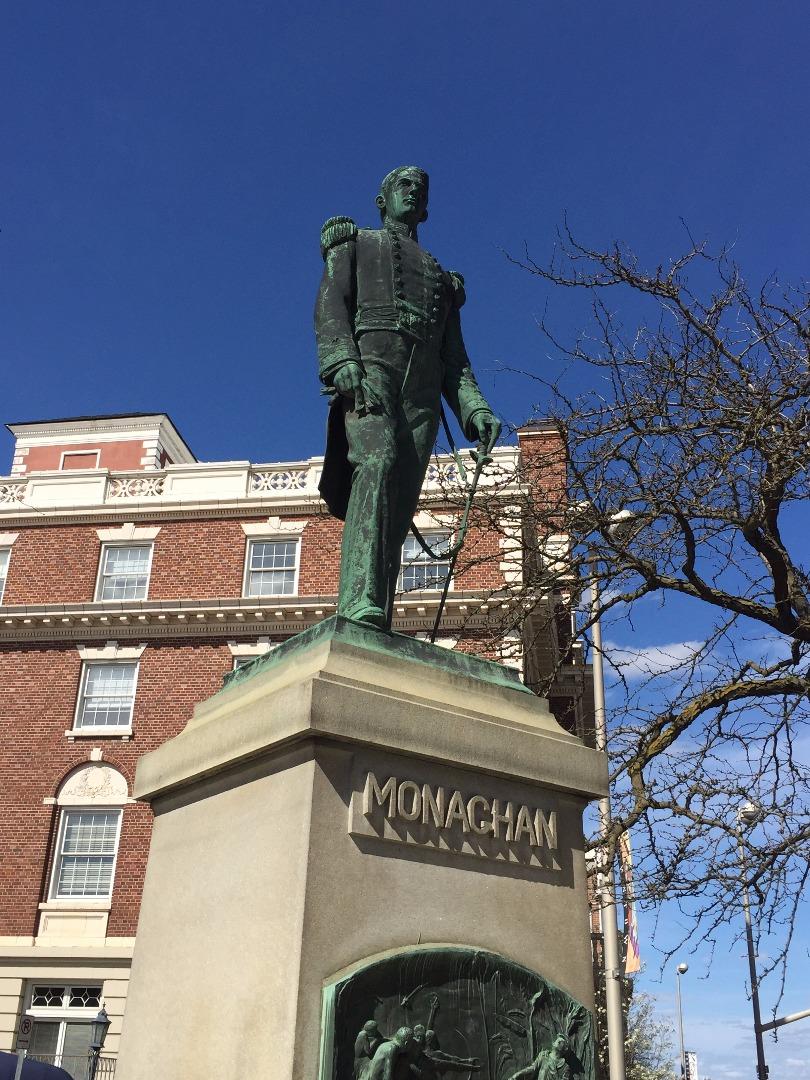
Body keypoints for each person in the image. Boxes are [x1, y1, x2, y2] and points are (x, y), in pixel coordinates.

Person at [315, 166, 501, 629]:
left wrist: (474, 408)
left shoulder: (442, 279)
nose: (413, 191)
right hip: (371, 371)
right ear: (382, 199)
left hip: (422, 394)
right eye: (403, 185)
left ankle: (377, 617)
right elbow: (331, 302)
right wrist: (343, 361)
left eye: (421, 189)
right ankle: (357, 604)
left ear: (427, 208)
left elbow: (454, 357)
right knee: (375, 464)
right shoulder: (356, 243)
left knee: (398, 508)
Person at [507, 1034, 571, 1080]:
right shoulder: (543, 1056)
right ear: (553, 1043)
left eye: (562, 1041)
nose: (559, 1041)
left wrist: (554, 1071)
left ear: (565, 1048)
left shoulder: (565, 1067)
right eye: (558, 1040)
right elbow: (532, 1069)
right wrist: (517, 1075)